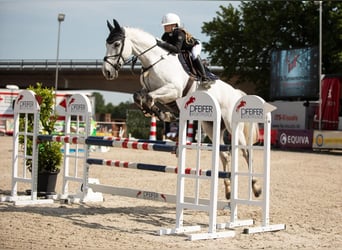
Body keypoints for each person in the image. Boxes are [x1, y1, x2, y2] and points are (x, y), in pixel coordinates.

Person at [157, 13, 214, 88]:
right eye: (164, 25)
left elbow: (177, 49)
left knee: (194, 55)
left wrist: (162, 44)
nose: (164, 27)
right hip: (183, 49)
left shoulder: (179, 33)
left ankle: (204, 77)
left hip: (194, 46)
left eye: (167, 25)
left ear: (174, 25)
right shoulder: (166, 35)